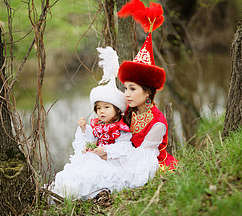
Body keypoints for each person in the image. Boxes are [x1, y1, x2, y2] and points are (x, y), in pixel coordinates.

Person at [48, 47, 134, 200]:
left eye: (107, 107)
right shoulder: (97, 125)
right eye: (99, 108)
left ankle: (88, 194)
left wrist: (105, 150)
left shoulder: (120, 128)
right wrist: (84, 130)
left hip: (110, 160)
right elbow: (90, 138)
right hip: (95, 156)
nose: (102, 111)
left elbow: (124, 147)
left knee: (95, 175)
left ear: (117, 109)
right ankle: (66, 193)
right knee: (78, 172)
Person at [117, 0, 178, 177]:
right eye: (125, 88)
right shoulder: (129, 109)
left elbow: (142, 155)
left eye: (132, 89)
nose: (126, 94)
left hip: (148, 162)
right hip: (128, 157)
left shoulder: (158, 122)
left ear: (148, 92)